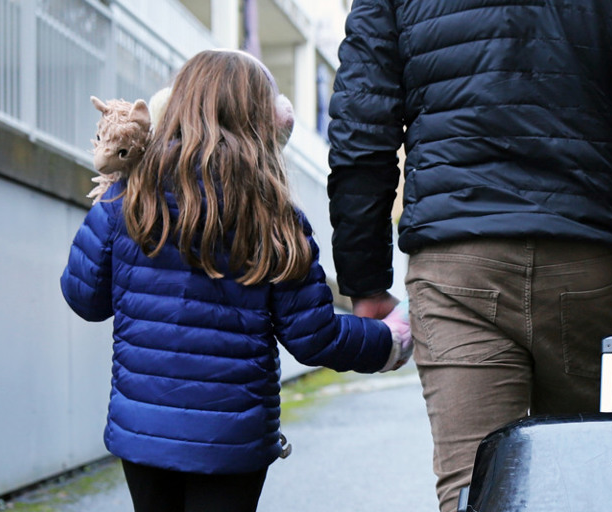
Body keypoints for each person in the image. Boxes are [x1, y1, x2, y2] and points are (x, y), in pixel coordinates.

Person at [326, 1, 612, 510]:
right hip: (585, 263)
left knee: (477, 490)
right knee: (583, 485)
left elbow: (362, 125)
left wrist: (366, 279)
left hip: (457, 267)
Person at [60, 49, 412, 512]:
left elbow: (84, 298)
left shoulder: (127, 199)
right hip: (232, 441)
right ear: (263, 121)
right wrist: (388, 341)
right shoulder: (274, 216)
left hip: (142, 435)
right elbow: (314, 337)